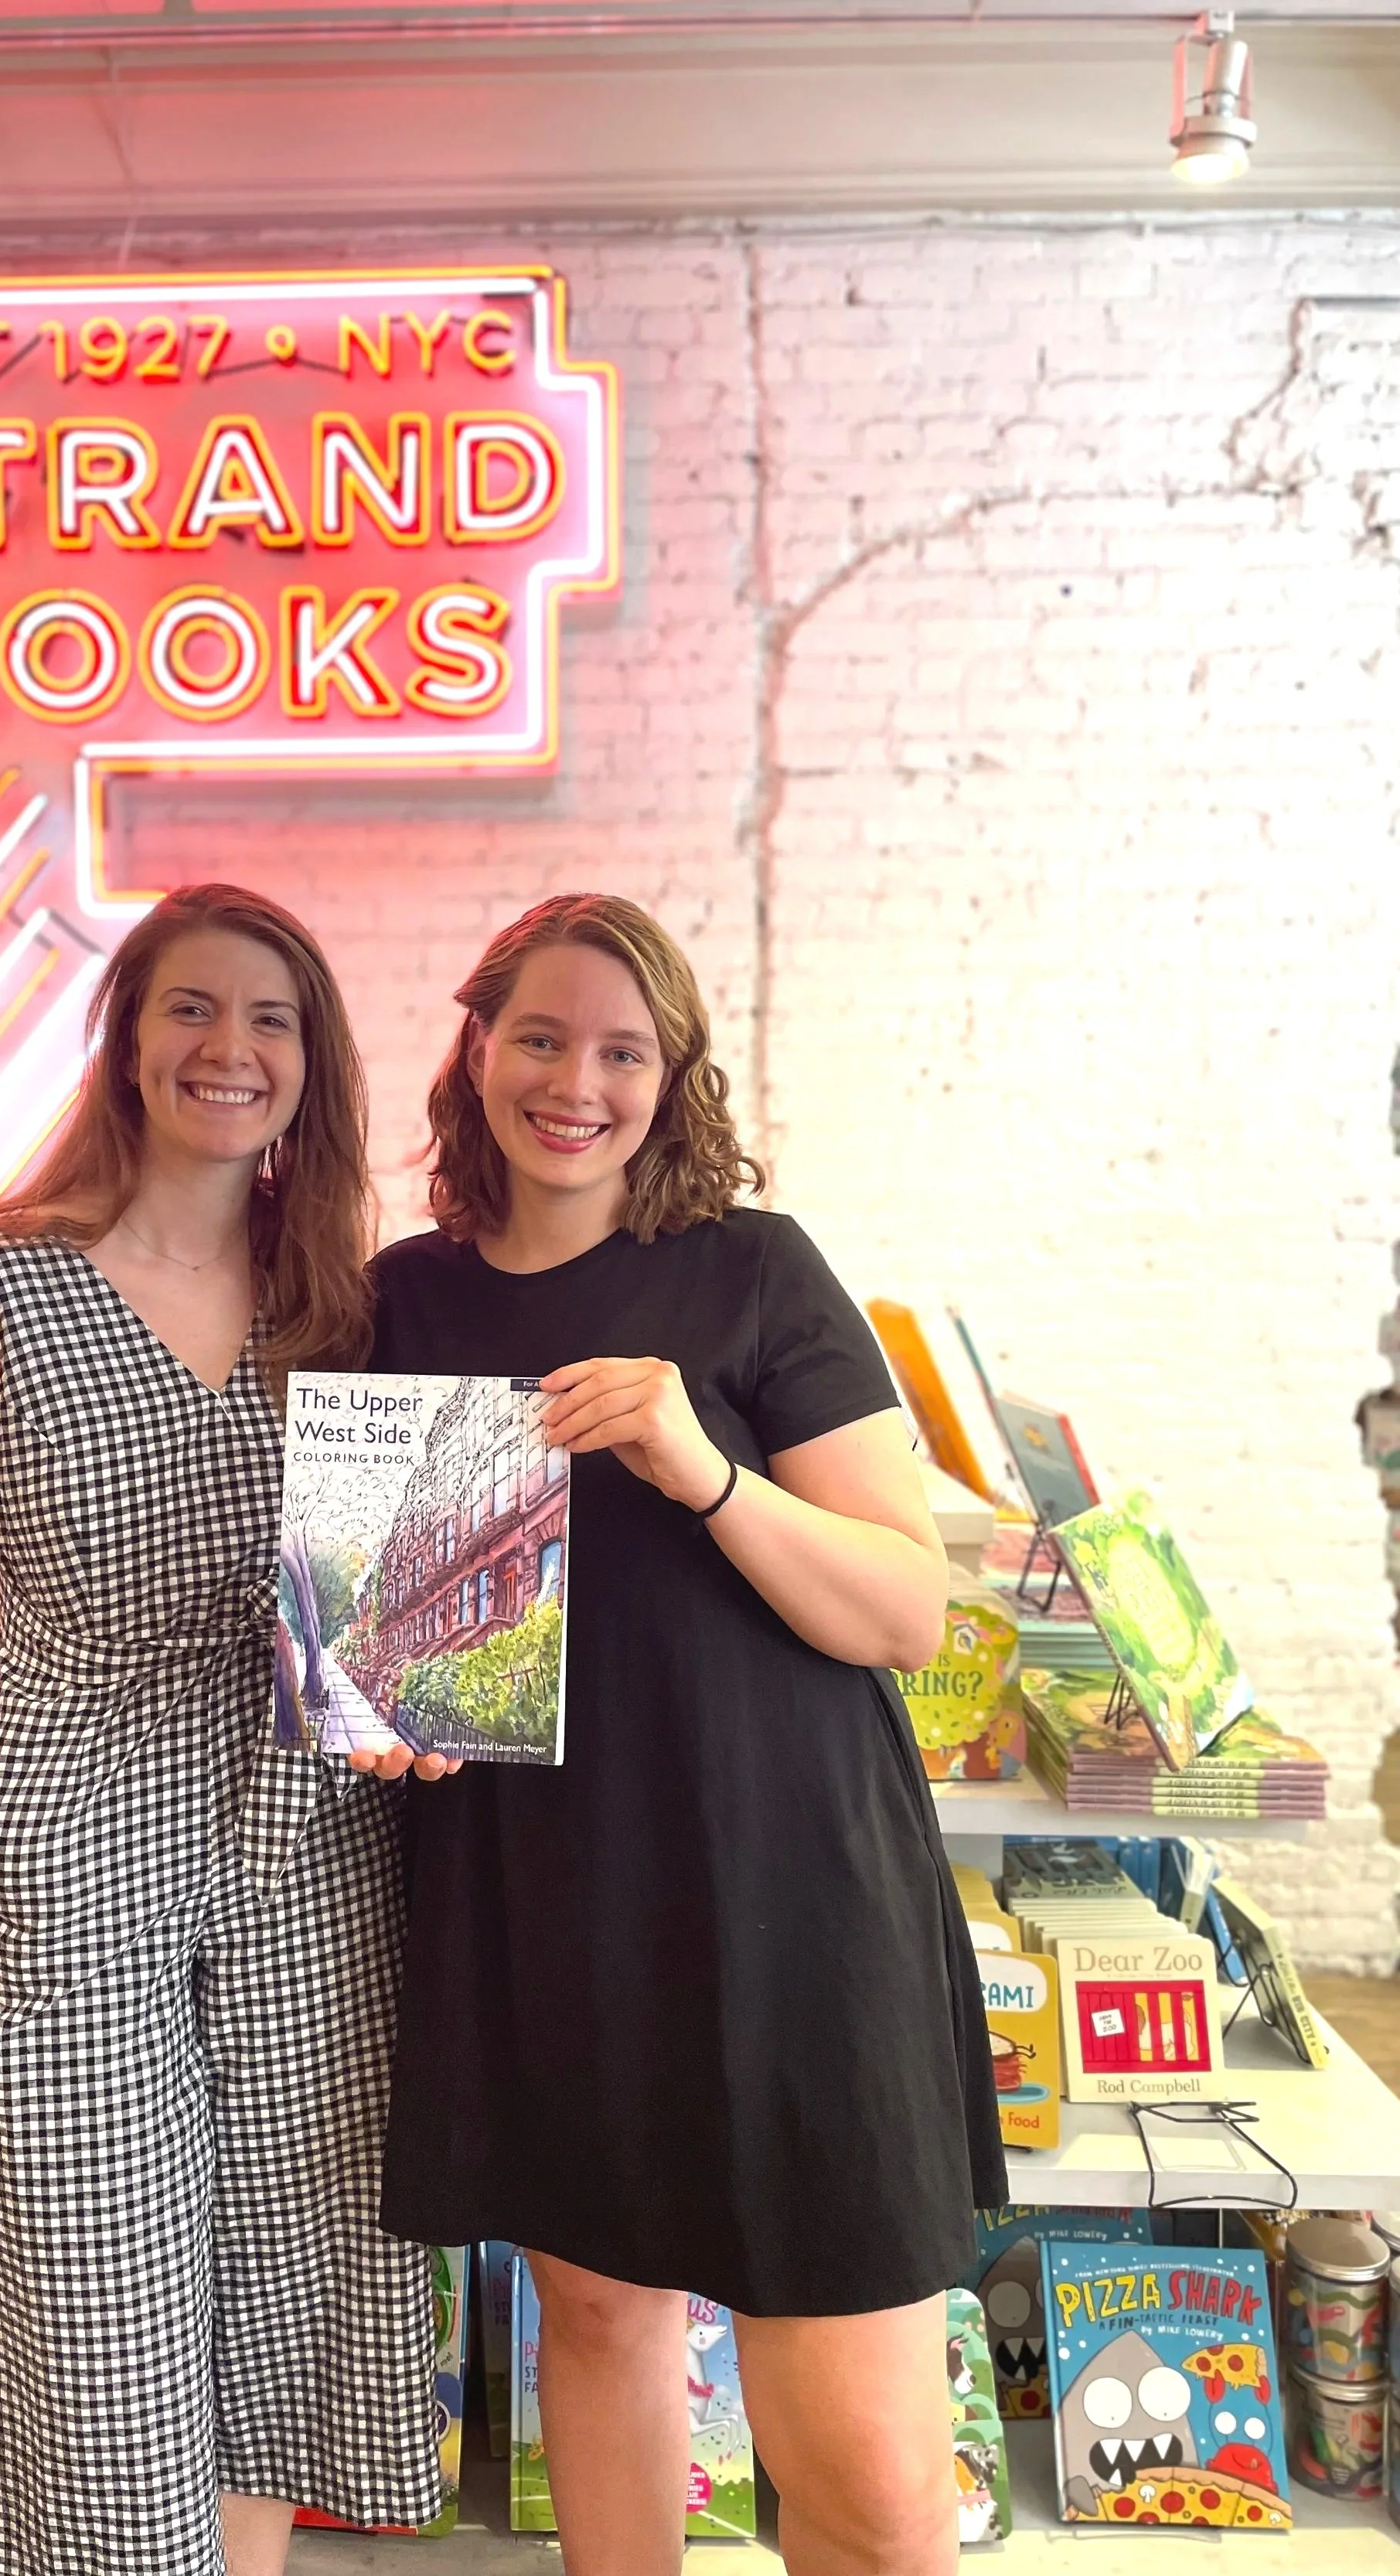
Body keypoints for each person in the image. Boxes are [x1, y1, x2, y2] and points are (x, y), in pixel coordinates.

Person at [357, 893, 1007, 2576]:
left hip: (790, 1894)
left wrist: (699, 1467)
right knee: (595, 2311)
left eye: (622, 1050)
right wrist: (388, 1714)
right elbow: (404, 1634)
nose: (577, 1080)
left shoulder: (748, 1272)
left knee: (861, 2476)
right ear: (476, 1047)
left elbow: (902, 1610)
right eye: (541, 1036)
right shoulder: (404, 1299)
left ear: (671, 1075)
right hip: (546, 1892)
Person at [0, 884, 442, 2576]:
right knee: (95, 2313)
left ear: (314, 1063)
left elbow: (397, 1592)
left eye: (272, 1020)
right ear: (127, 1039)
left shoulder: (342, 1306)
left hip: (307, 1855)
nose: (229, 1050)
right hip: (68, 1851)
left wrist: (431, 1686)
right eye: (191, 1009)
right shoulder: (2, 1284)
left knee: (286, 2280)